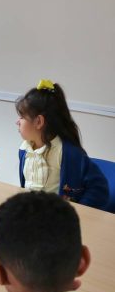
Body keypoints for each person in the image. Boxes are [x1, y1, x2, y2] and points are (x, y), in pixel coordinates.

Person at [16, 79, 108, 210]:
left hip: (55, 219)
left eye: (21, 117)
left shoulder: (69, 153)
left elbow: (99, 188)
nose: (17, 122)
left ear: (39, 122)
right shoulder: (24, 150)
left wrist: (76, 212)